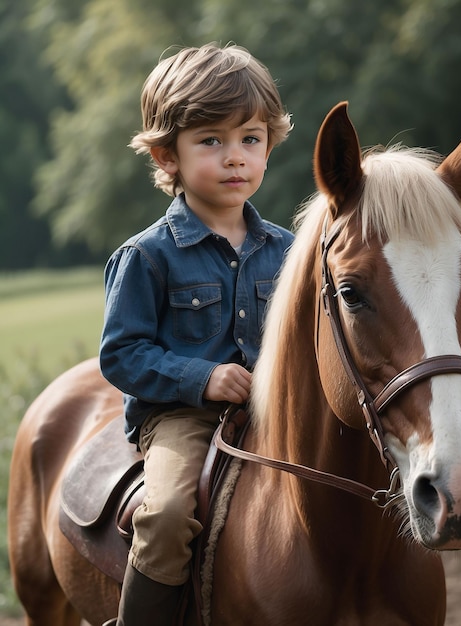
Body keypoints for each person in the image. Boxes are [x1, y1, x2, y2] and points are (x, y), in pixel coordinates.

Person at [99, 42, 293, 626]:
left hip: (278, 409)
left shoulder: (291, 251)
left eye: (251, 139)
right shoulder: (146, 256)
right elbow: (121, 355)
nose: (236, 157)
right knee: (164, 516)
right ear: (167, 155)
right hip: (182, 417)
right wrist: (204, 376)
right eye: (212, 140)